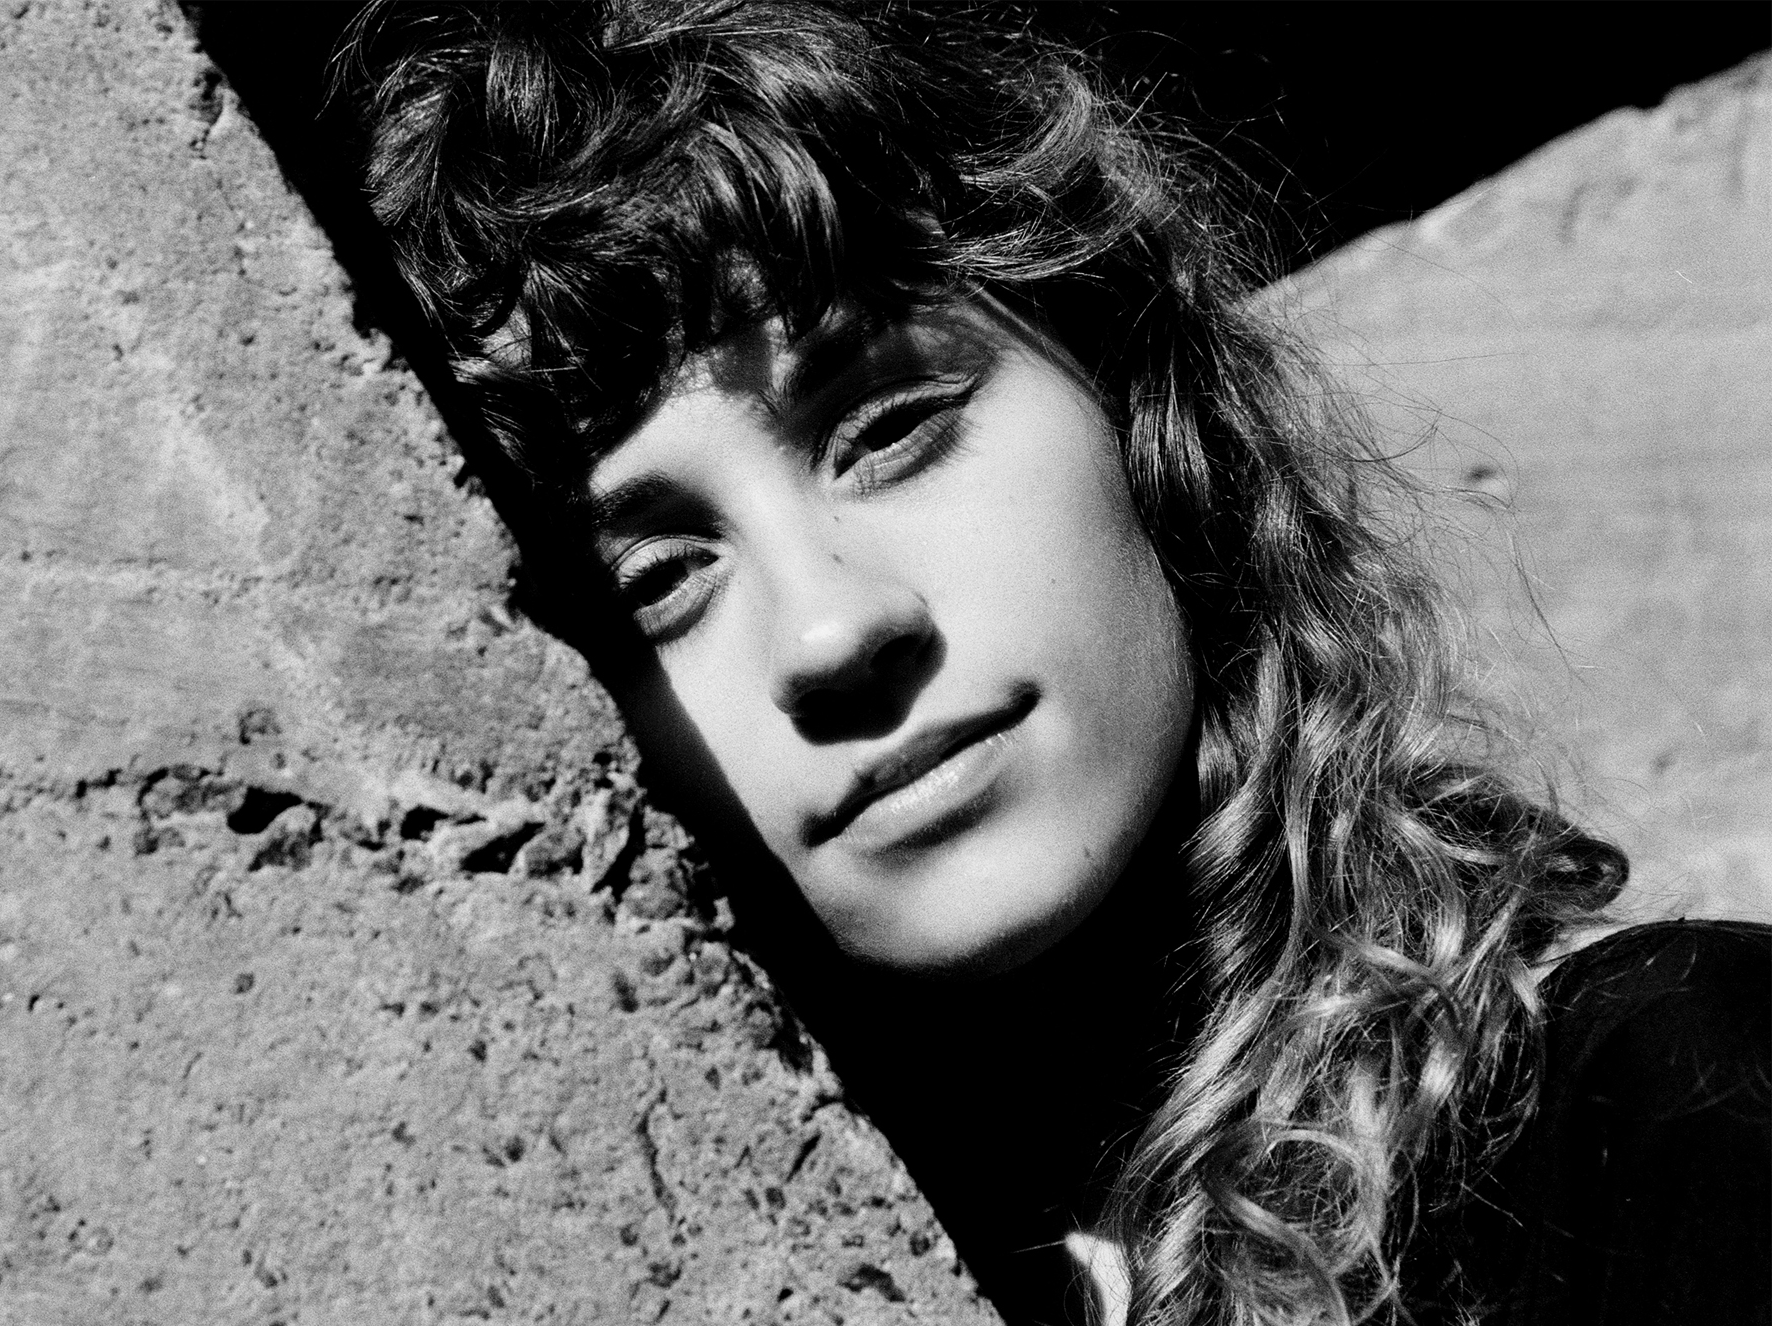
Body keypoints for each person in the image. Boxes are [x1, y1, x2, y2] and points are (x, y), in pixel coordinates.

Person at [339, 4, 1772, 1323]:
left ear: (1143, 417)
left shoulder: (1675, 1111)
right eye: (653, 585)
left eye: (891, 429)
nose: (833, 630)